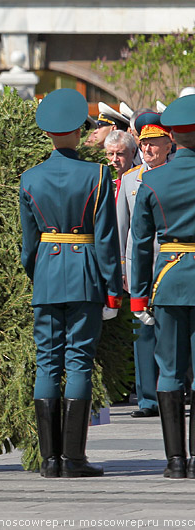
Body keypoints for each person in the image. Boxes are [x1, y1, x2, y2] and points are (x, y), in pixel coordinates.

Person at [21, 88, 123, 478]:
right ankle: (74, 459)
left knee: (47, 362)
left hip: (47, 273)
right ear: (80, 131)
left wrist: (40, 274)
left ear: (46, 133)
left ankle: (50, 460)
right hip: (85, 275)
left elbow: (29, 244)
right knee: (79, 360)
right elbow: (106, 240)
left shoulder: (30, 177)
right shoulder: (96, 174)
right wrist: (112, 290)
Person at [130, 94, 195, 478]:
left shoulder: (152, 181)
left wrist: (138, 295)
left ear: (171, 134)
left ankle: (175, 461)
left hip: (169, 279)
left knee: (169, 371)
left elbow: (139, 244)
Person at [117, 115, 173, 420]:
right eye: (144, 143)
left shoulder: (177, 174)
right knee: (143, 332)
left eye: (154, 143)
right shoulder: (130, 179)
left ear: (169, 145)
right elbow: (122, 226)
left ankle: (176, 389)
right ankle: (148, 398)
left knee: (174, 328)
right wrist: (123, 270)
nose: (148, 148)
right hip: (140, 266)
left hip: (172, 262)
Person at [104, 130, 137, 199]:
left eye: (120, 154)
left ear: (132, 152)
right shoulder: (102, 179)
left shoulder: (140, 178)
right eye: (111, 154)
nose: (115, 159)